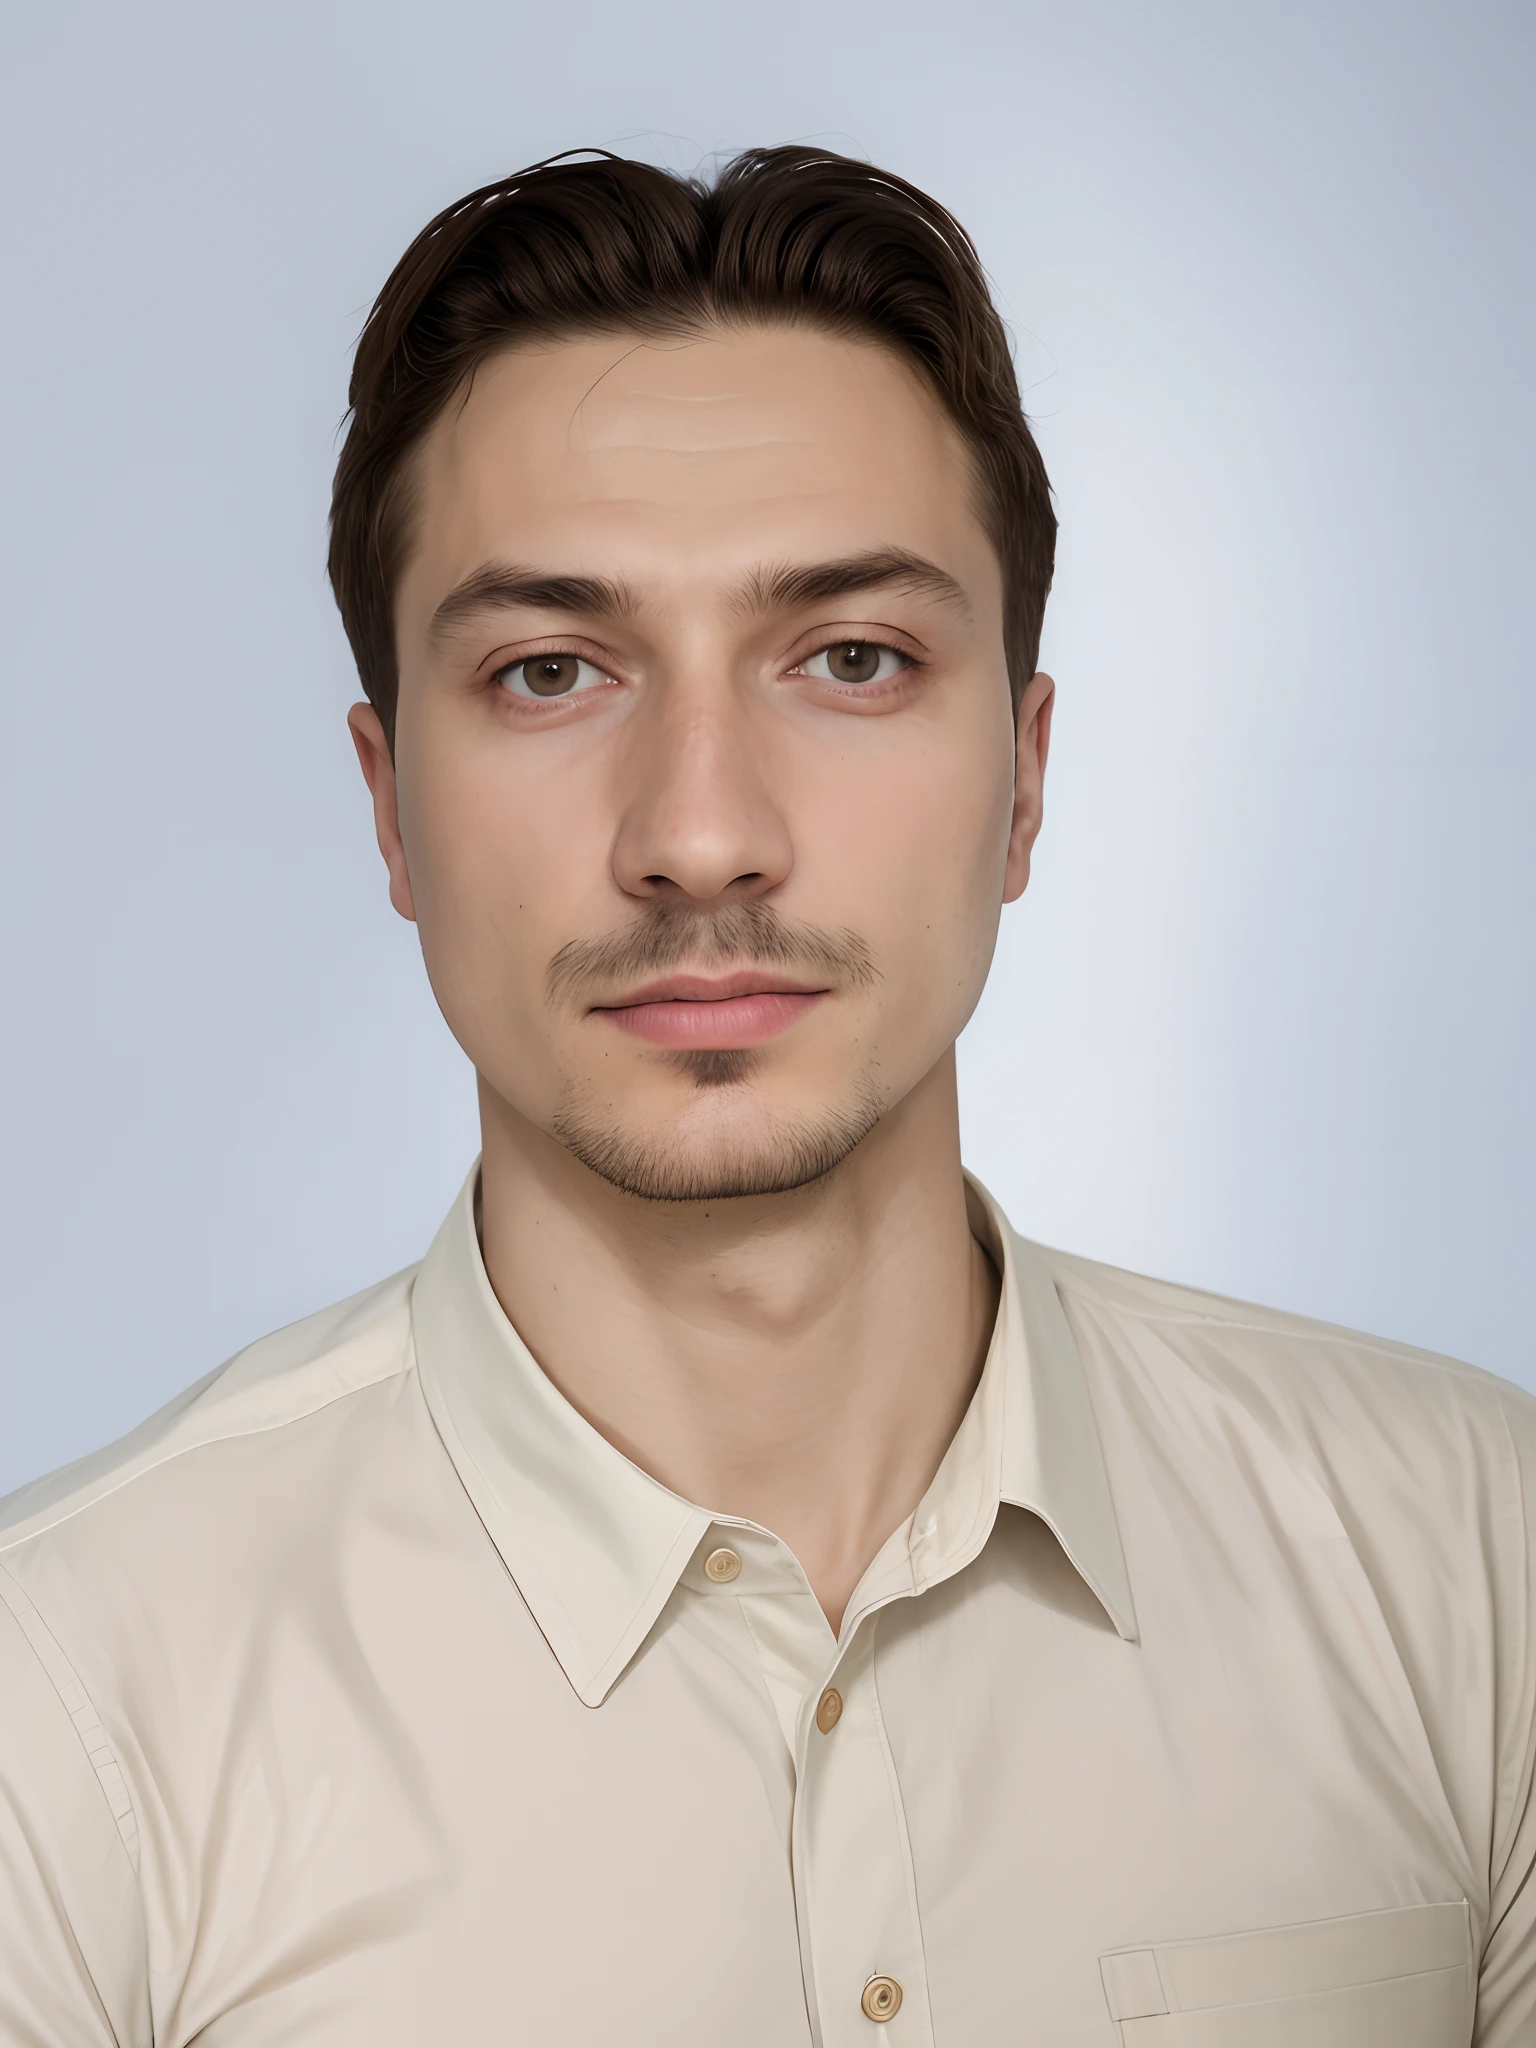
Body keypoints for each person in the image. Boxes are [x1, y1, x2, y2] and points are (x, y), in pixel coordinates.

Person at [0, 146, 1530, 2047]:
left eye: (853, 659)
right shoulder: (53, 1712)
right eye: (552, 670)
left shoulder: (1484, 1564)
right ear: (389, 807)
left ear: (1025, 776)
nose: (703, 835)